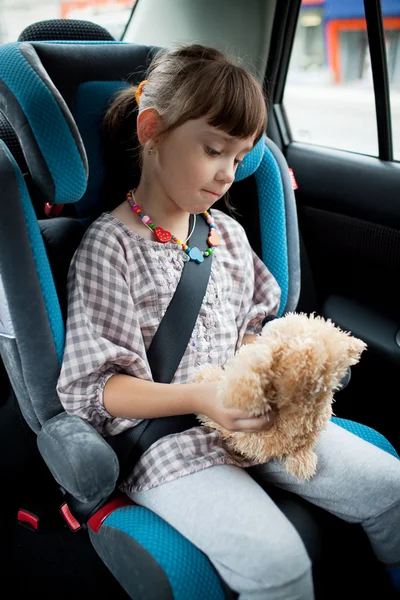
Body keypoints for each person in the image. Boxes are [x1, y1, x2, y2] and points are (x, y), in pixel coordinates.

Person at [57, 44, 400, 599]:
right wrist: (202, 397)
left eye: (240, 158)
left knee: (391, 489)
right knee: (279, 562)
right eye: (214, 150)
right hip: (169, 442)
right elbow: (97, 389)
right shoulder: (109, 249)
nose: (227, 174)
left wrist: (272, 369)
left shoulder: (228, 235)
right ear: (153, 131)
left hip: (253, 421)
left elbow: (255, 322)